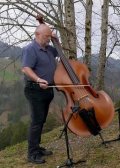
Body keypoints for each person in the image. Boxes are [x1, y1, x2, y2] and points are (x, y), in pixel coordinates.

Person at [22, 23, 58, 164]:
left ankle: (37, 147)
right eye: (46, 36)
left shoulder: (49, 49)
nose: (48, 39)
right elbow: (26, 68)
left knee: (42, 120)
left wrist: (56, 39)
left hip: (48, 89)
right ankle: (32, 153)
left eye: (49, 37)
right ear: (37, 35)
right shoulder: (30, 49)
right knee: (36, 121)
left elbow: (60, 52)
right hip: (35, 89)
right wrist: (38, 79)